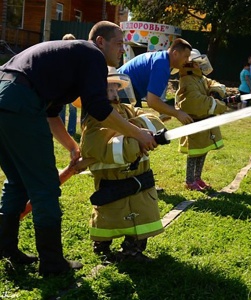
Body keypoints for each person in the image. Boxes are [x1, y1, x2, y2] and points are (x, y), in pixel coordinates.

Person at [0, 21, 156, 277]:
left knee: (17, 182)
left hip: (5, 96)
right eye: (118, 44)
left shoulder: (69, 60)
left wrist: (73, 148)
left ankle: (5, 248)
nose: (121, 50)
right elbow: (99, 109)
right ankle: (52, 263)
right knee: (45, 188)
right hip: (21, 103)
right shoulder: (92, 55)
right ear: (100, 42)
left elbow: (52, 115)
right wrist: (137, 132)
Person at [80, 67, 165, 263]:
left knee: (142, 216)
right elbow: (103, 147)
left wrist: (134, 130)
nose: (114, 94)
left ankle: (132, 251)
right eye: (108, 90)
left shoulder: (127, 110)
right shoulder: (94, 119)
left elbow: (153, 121)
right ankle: (101, 247)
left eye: (115, 89)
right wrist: (138, 138)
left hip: (139, 178)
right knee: (109, 217)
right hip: (113, 182)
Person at [175, 49, 228, 191]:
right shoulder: (187, 80)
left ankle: (197, 178)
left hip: (205, 122)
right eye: (198, 63)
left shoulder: (198, 77)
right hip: (195, 122)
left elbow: (209, 82)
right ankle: (189, 181)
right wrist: (218, 105)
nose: (201, 66)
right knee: (194, 153)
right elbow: (195, 102)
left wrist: (218, 88)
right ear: (190, 64)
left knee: (203, 151)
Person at [118, 38, 194, 125]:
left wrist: (163, 110)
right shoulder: (162, 65)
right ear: (175, 53)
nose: (187, 61)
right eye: (186, 57)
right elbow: (152, 101)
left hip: (123, 86)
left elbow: (149, 94)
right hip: (123, 89)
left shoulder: (161, 59)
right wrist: (177, 113)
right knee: (134, 129)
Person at [59, 33, 78, 136]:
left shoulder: (76, 56)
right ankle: (61, 130)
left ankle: (71, 131)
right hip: (62, 85)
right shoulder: (60, 55)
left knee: (73, 109)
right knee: (61, 108)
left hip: (73, 86)